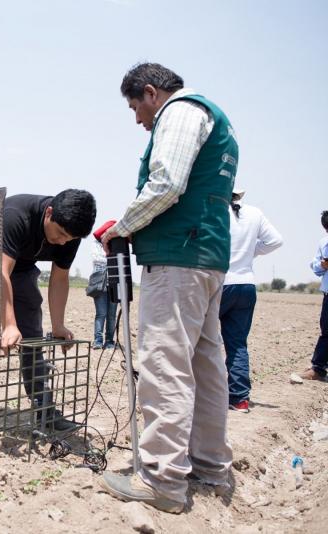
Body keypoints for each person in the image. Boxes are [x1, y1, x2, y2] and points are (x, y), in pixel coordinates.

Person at [99, 62, 238, 513]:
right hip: (207, 258)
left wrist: (122, 227)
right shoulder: (217, 119)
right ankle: (210, 467)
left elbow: (167, 183)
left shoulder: (179, 112)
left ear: (151, 92)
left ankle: (162, 479)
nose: (139, 120)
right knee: (205, 366)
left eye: (136, 108)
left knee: (164, 365)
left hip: (178, 258)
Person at [0, 190, 96, 440]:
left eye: (69, 238)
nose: (63, 242)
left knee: (32, 337)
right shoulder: (16, 215)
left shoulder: (71, 232)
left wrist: (58, 325)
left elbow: (60, 278)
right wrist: (8, 324)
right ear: (49, 213)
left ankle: (44, 410)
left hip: (23, 265)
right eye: (60, 234)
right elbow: (0, 271)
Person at [219, 189, 282, 412]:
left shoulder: (214, 211)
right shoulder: (254, 213)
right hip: (246, 284)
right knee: (237, 344)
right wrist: (251, 252)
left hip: (218, 283)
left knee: (201, 340)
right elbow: (276, 241)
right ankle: (239, 399)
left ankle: (203, 394)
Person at [298, 210, 328, 381]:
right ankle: (318, 368)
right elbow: (315, 265)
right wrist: (322, 265)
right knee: (327, 331)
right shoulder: (324, 242)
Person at [88, 239, 117, 350]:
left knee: (112, 315)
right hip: (99, 283)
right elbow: (97, 259)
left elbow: (121, 261)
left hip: (115, 282)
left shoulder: (117, 242)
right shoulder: (96, 243)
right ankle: (98, 341)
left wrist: (109, 258)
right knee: (101, 314)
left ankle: (109, 341)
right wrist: (113, 258)